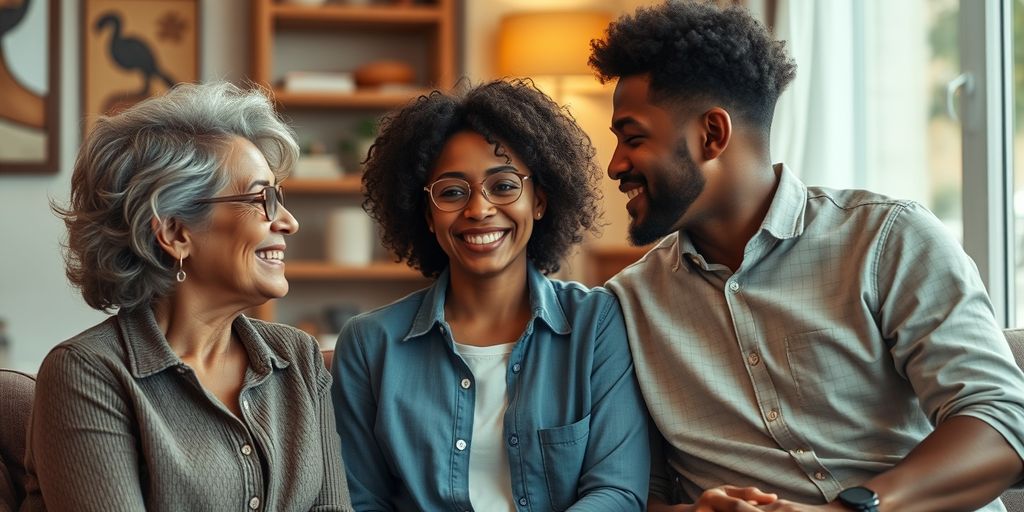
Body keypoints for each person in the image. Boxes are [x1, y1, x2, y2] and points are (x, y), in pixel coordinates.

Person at [591, 2, 1024, 511]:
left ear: (712, 135)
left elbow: (1002, 424)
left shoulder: (888, 239)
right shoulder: (628, 304)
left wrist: (851, 508)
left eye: (633, 138)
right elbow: (634, 490)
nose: (614, 165)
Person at [22, 82, 353, 511]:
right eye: (262, 199)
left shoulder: (298, 359)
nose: (288, 222)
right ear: (176, 232)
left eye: (279, 197)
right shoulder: (87, 373)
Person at [331, 79, 650, 511]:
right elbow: (361, 501)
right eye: (452, 192)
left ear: (539, 200)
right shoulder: (369, 344)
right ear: (427, 215)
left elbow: (618, 492)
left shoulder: (596, 324)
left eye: (503, 186)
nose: (479, 209)